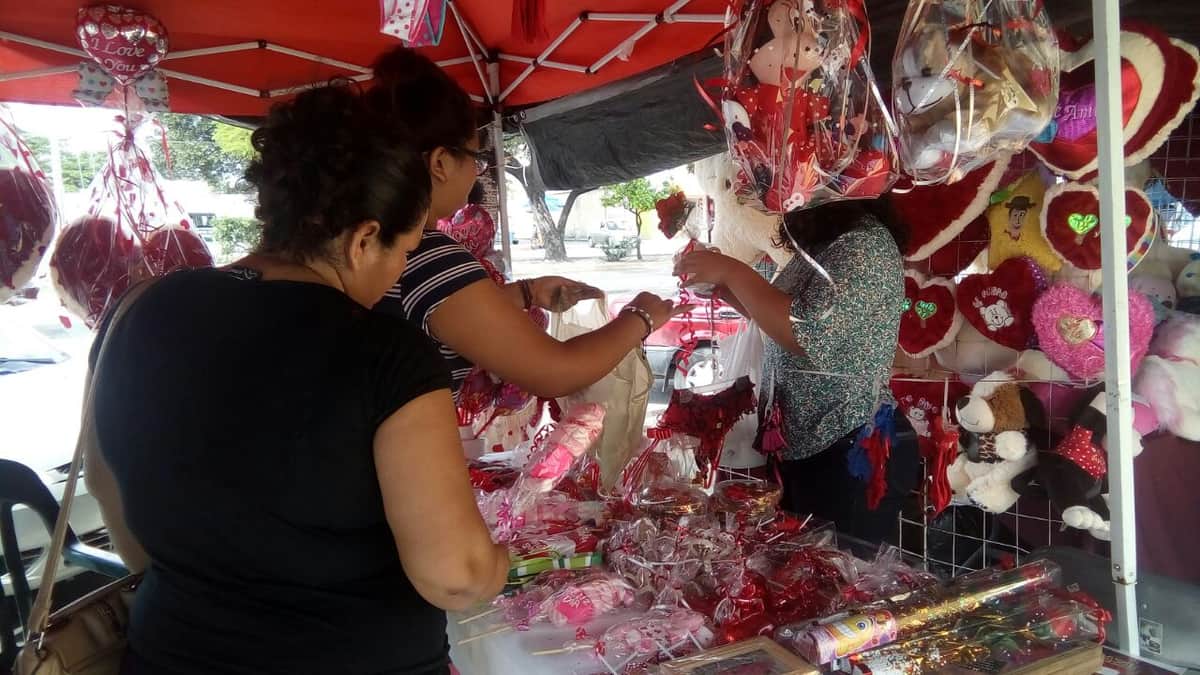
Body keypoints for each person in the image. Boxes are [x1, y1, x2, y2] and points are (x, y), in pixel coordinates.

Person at [86, 82, 508, 675]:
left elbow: (109, 489)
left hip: (170, 652)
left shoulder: (139, 307)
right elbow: (456, 579)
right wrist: (498, 561)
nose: (395, 275)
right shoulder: (385, 352)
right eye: (402, 251)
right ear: (364, 238)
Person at [366, 47, 687, 399]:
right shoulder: (426, 255)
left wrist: (527, 292)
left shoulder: (377, 245)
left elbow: (445, 312)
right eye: (476, 157)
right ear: (441, 162)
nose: (477, 170)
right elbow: (555, 372)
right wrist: (641, 317)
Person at [675, 199, 919, 544]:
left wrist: (731, 271)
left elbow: (804, 332)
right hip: (810, 442)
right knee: (803, 571)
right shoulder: (826, 246)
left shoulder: (862, 245)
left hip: (849, 443)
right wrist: (721, 288)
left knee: (841, 580)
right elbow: (775, 317)